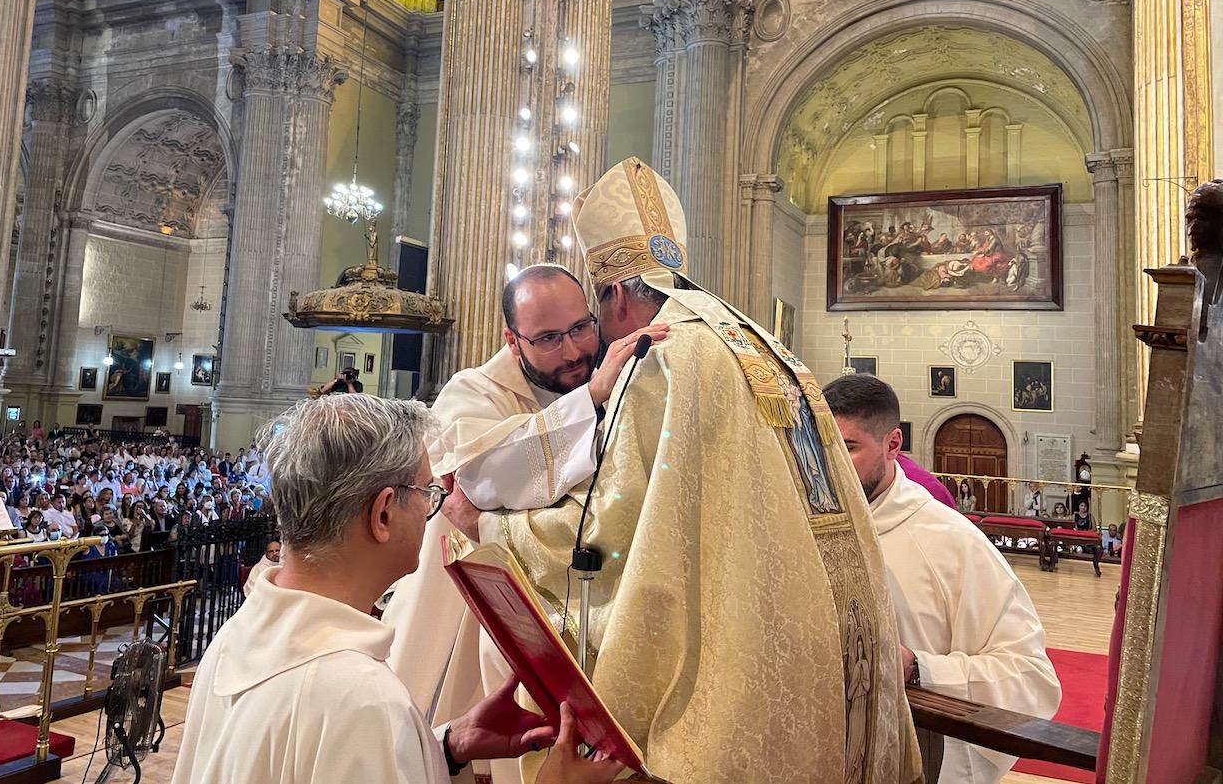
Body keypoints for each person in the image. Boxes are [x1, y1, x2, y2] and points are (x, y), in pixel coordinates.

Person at [455, 158, 922, 783]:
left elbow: (608, 532)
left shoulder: (662, 353)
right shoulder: (761, 341)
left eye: (592, 315)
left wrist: (492, 530)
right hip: (821, 646)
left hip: (732, 663)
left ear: (616, 292)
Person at [171, 393, 624, 784]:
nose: (434, 507)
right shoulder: (360, 699)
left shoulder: (234, 639)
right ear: (383, 514)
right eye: (427, 491)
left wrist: (446, 746)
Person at [386, 263, 665, 778]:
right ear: (512, 341)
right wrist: (593, 397)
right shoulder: (474, 392)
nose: (574, 351)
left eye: (582, 327)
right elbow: (486, 478)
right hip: (468, 612)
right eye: (549, 338)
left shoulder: (616, 372)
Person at [824, 374, 1061, 784]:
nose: (832, 466)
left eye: (848, 448)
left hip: (915, 758)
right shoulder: (803, 525)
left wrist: (918, 668)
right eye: (822, 448)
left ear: (893, 444)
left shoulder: (951, 540)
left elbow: (1032, 679)